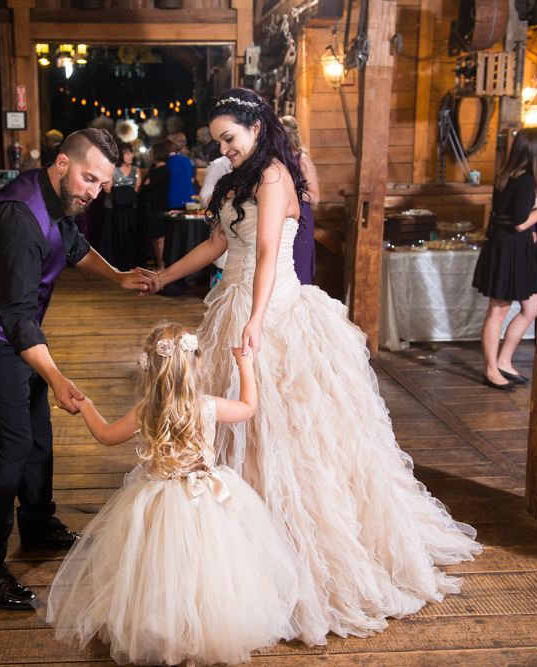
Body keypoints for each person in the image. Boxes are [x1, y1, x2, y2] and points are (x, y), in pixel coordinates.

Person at [137, 88, 481, 645]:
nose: (224, 148)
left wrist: (256, 317)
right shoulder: (235, 179)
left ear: (256, 126)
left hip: (274, 308)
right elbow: (219, 244)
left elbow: (270, 251)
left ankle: (296, 546)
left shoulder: (273, 173)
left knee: (289, 429)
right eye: (218, 141)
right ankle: (242, 540)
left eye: (230, 137)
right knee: (239, 429)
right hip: (236, 301)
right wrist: (164, 277)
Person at [0, 128, 152, 611]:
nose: (94, 192)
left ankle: (38, 526)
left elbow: (75, 247)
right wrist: (57, 376)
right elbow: (15, 317)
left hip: (21, 338)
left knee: (38, 432)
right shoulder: (18, 216)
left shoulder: (59, 198)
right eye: (88, 179)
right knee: (9, 449)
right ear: (62, 163)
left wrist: (119, 277)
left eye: (102, 184)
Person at [45, 323, 299, 666]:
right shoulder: (207, 406)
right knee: (205, 571)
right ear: (197, 362)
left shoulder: (146, 410)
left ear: (150, 365)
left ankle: (168, 643)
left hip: (158, 503)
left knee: (159, 569)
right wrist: (245, 364)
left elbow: (105, 435)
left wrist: (87, 405)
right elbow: (248, 407)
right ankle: (201, 631)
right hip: (205, 502)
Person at [471, 128, 537, 390]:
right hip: (510, 246)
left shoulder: (508, 174)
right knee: (498, 310)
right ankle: (491, 370)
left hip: (515, 247)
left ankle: (504, 360)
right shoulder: (525, 179)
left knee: (531, 307)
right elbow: (519, 223)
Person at [280, 115, 320, 285]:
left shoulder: (301, 159)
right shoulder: (277, 161)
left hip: (300, 222)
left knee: (298, 271)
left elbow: (315, 197)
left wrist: (290, 190)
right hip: (281, 218)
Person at [100, 143, 142, 271]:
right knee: (113, 236)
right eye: (127, 153)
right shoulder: (112, 169)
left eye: (131, 153)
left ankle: (130, 263)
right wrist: (125, 192)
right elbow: (107, 189)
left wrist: (119, 191)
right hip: (113, 208)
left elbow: (137, 189)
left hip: (131, 208)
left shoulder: (136, 169)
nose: (131, 156)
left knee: (130, 235)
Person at [140, 140, 172, 271]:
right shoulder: (154, 169)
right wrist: (146, 184)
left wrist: (146, 184)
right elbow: (144, 185)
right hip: (152, 208)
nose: (149, 154)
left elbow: (147, 186)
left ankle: (162, 267)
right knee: (154, 239)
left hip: (159, 208)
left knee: (159, 239)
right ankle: (160, 266)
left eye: (151, 152)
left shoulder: (162, 170)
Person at [166, 141, 195, 209]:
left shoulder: (165, 162)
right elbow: (192, 180)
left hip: (172, 200)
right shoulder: (186, 160)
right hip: (189, 198)